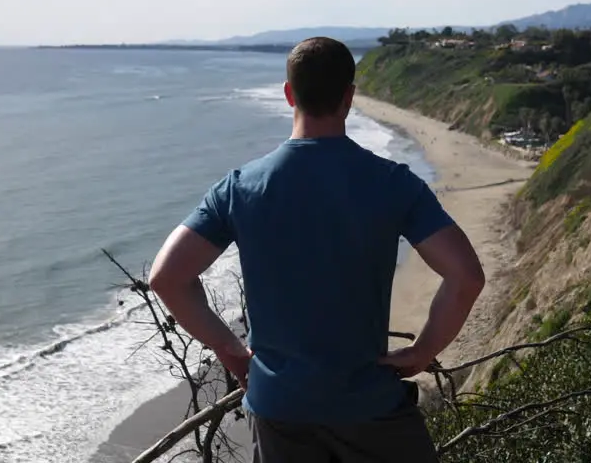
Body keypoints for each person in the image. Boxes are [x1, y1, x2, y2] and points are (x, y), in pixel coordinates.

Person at [148, 36, 485, 462]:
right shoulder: (393, 183)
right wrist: (423, 350)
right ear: (349, 97)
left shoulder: (240, 187)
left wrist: (229, 348)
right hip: (370, 407)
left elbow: (166, 277)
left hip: (280, 411)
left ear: (289, 94)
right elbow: (466, 276)